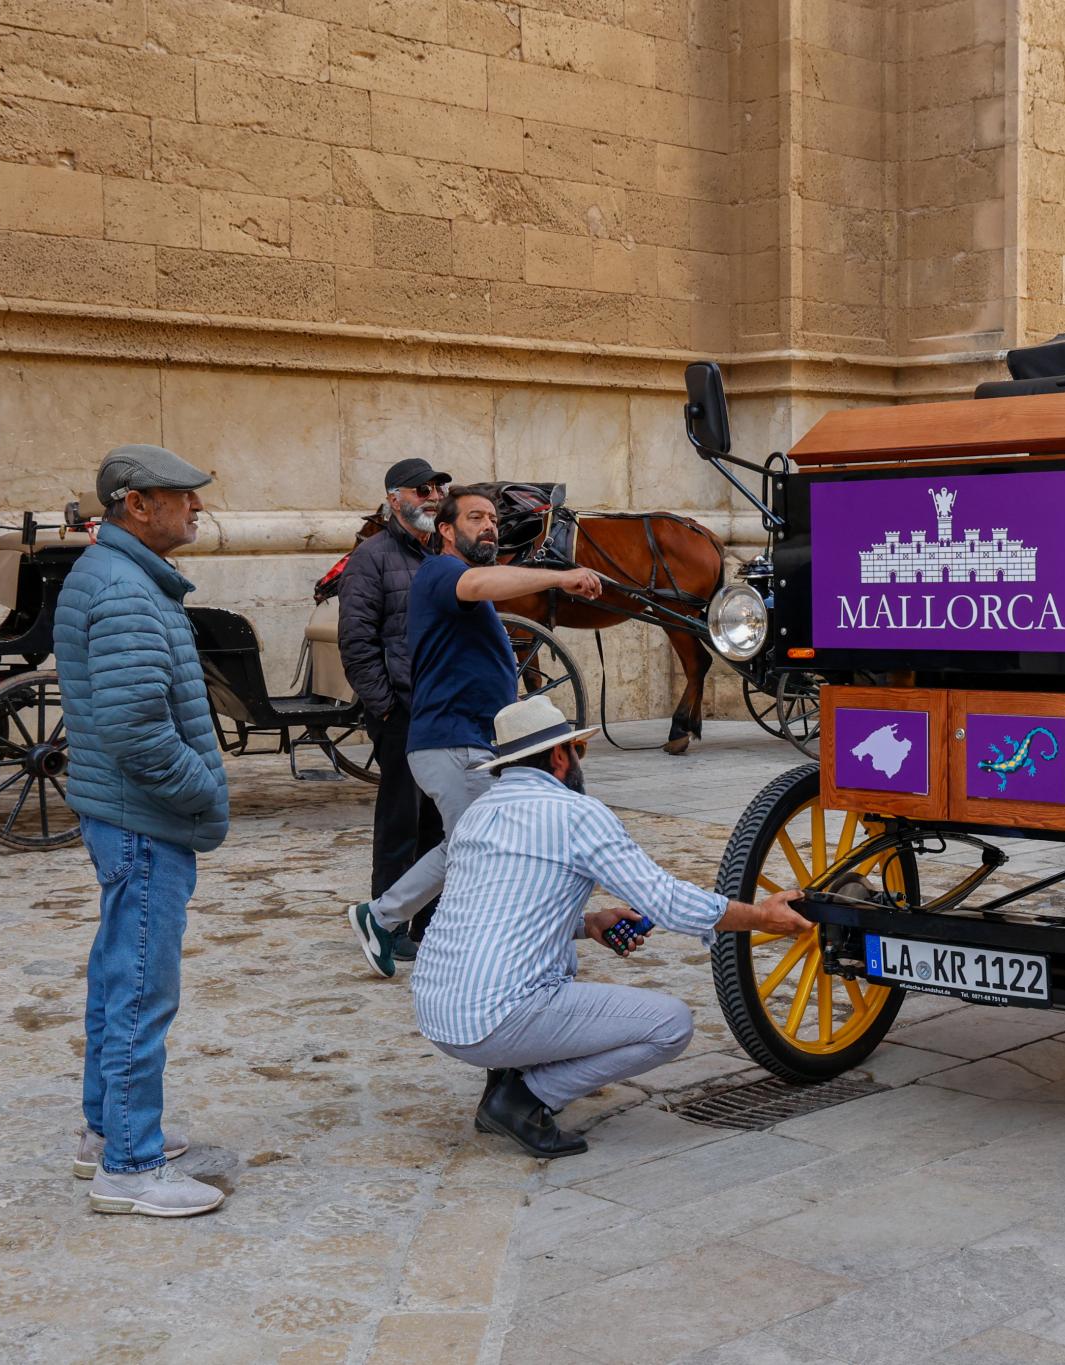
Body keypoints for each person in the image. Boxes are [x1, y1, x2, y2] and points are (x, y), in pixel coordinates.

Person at [413, 696, 813, 1158]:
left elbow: (492, 911)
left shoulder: (477, 814)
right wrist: (761, 916)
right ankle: (522, 1100)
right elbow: (667, 900)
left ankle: (507, 1073)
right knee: (670, 1025)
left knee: (548, 974)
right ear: (559, 756)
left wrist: (588, 924)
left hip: (436, 1013)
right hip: (495, 1020)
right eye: (578, 751)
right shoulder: (577, 814)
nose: (580, 762)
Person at [54, 444, 231, 1218]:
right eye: (182, 495)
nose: (197, 506)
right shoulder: (125, 589)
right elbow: (137, 731)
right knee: (139, 991)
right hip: (143, 817)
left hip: (123, 813)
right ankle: (129, 1165)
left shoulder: (116, 574)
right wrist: (204, 790)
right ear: (137, 504)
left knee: (116, 975)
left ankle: (106, 1130)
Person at [346, 486, 603, 977]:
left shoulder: (462, 585)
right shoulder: (442, 572)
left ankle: (402, 920)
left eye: (493, 520)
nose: (489, 526)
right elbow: (484, 581)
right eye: (475, 518)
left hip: (469, 742)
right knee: (474, 846)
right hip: (453, 741)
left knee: (475, 845)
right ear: (445, 530)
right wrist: (561, 576)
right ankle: (384, 917)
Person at [337, 457, 450, 956]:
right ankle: (389, 923)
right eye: (422, 489)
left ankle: (429, 923)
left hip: (439, 709)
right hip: (401, 711)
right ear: (394, 499)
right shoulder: (372, 557)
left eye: (437, 488)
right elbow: (357, 641)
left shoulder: (441, 554)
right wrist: (385, 707)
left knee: (438, 822)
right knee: (401, 820)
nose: (433, 497)